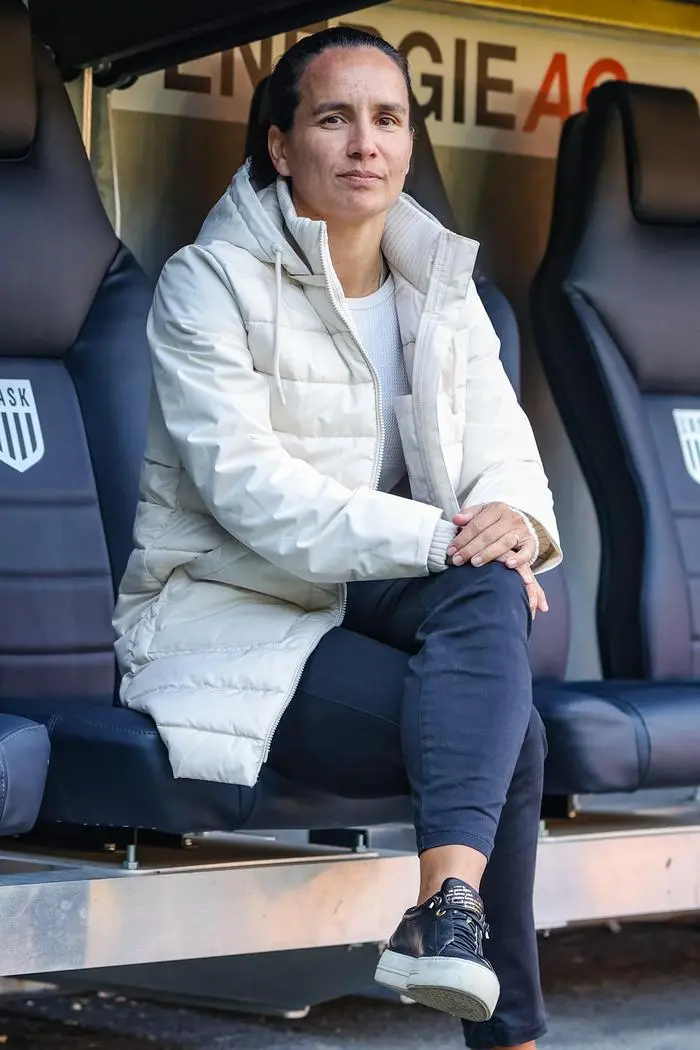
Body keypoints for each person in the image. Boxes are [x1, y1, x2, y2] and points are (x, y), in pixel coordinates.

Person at [114, 26, 562, 1050]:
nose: (365, 142)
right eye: (333, 117)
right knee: (516, 734)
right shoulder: (207, 284)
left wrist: (516, 526)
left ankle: (446, 915)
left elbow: (510, 458)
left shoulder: (442, 292)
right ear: (279, 146)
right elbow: (255, 497)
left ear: (409, 144)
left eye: (388, 119)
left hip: (375, 598)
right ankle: (503, 1019)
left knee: (493, 580)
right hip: (231, 614)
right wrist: (450, 535)